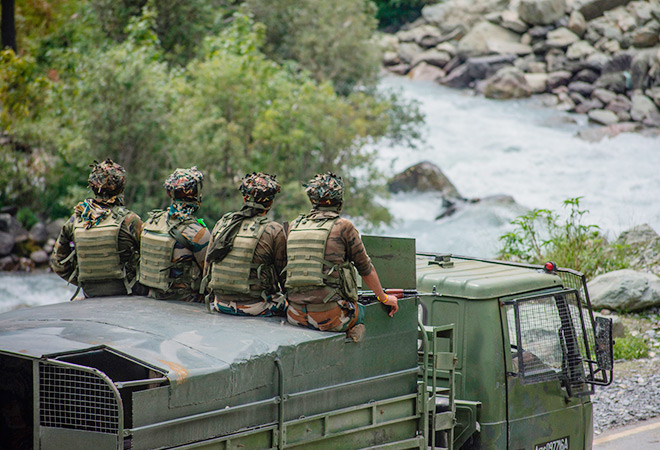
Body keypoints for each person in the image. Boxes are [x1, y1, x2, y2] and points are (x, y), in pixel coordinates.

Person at [285, 172, 398, 340]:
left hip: (294, 316)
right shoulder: (344, 227)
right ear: (339, 200)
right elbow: (366, 269)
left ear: (312, 200)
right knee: (366, 313)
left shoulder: (294, 225)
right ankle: (353, 333)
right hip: (330, 318)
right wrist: (384, 297)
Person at [50, 159, 143, 298]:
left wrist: (84, 281)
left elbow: (57, 263)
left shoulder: (76, 219)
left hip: (90, 293)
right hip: (127, 293)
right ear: (121, 187)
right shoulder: (130, 220)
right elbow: (149, 258)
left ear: (92, 186)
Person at [204, 172, 287, 316]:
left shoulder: (222, 224)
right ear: (270, 202)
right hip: (256, 307)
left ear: (244, 198)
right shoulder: (273, 230)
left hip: (220, 304)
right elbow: (284, 276)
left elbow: (207, 268)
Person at [138, 167, 210, 302]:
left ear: (170, 193)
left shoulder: (152, 222)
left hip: (151, 298)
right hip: (186, 303)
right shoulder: (197, 233)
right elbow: (210, 274)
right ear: (196, 194)